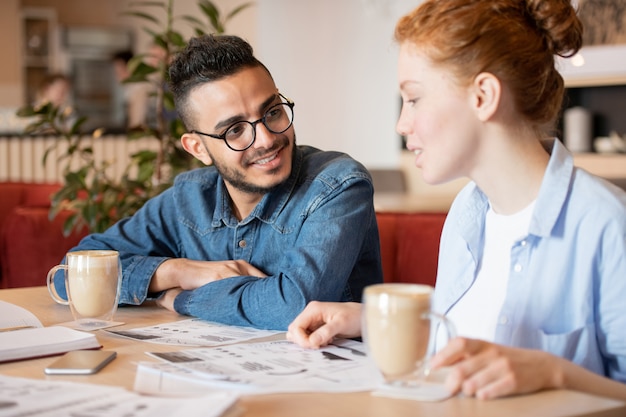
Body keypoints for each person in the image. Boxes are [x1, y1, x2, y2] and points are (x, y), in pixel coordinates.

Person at [287, 0, 626, 402]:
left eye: (413, 99)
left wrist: (552, 372)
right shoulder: (468, 212)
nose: (401, 124)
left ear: (482, 96)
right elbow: (469, 340)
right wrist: (370, 320)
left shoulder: (606, 224)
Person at [54, 34, 382, 330]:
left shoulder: (337, 185)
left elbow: (294, 305)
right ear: (198, 148)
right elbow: (71, 274)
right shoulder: (188, 199)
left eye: (272, 112)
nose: (266, 139)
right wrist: (177, 272)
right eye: (235, 130)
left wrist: (180, 299)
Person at [111, 50, 153, 129]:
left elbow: (137, 123)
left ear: (130, 67)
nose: (117, 76)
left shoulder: (139, 89)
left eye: (119, 71)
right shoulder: (131, 89)